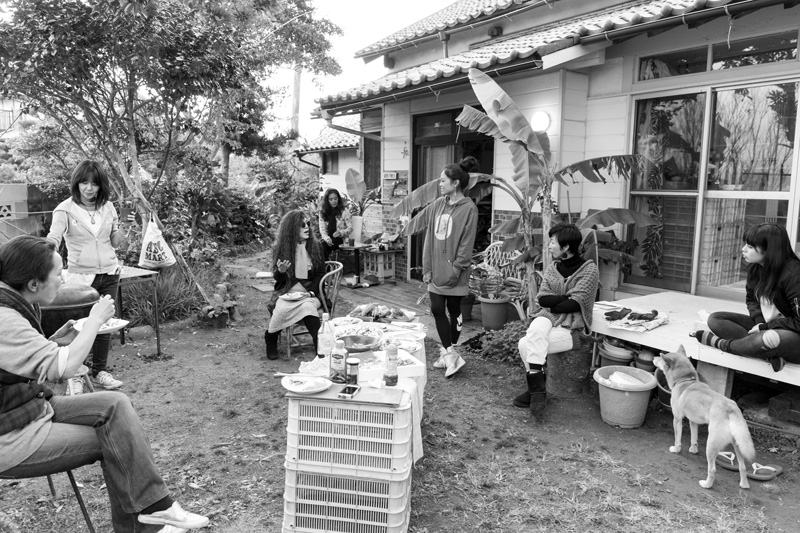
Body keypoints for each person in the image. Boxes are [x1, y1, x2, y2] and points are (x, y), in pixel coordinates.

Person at [0, 235, 209, 532]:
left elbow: (15, 360)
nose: (63, 279)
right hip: (12, 437)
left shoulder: (13, 304)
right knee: (118, 442)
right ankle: (146, 522)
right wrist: (95, 321)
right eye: (58, 273)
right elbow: (64, 368)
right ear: (33, 283)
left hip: (30, 409)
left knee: (115, 403)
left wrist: (54, 343)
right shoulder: (5, 318)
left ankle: (155, 510)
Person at [47, 160, 129, 391]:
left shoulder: (108, 207)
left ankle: (100, 371)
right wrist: (45, 253)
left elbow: (116, 242)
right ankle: (74, 374)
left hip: (109, 272)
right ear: (77, 183)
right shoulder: (64, 209)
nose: (89, 188)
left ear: (101, 185)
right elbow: (54, 238)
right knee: (79, 327)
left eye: (94, 183)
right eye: (84, 183)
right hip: (81, 278)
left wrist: (126, 228)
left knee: (104, 324)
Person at [693, 223, 800, 372]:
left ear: (769, 249)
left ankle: (723, 344)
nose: (743, 249)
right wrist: (759, 322)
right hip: (766, 327)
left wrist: (764, 328)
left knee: (770, 337)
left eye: (750, 246)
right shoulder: (756, 268)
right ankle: (768, 354)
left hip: (792, 335)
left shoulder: (794, 276)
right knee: (715, 319)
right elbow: (752, 300)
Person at [515, 223, 598, 412]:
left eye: (553, 242)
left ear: (566, 246)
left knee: (524, 344)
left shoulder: (589, 270)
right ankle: (538, 392)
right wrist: (565, 299)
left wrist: (557, 301)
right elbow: (542, 298)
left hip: (573, 326)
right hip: (547, 316)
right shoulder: (553, 268)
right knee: (536, 329)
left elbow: (576, 304)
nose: (550, 246)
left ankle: (535, 390)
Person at [422, 156, 479, 378]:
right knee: (437, 309)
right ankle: (449, 354)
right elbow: (429, 237)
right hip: (436, 269)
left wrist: (457, 269)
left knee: (454, 310)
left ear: (455, 183)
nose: (440, 183)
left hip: (456, 272)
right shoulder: (438, 205)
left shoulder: (469, 208)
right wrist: (427, 268)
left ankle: (449, 352)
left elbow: (467, 242)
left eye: (443, 180)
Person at [264, 210, 327, 360]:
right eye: (302, 225)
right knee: (280, 308)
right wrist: (281, 271)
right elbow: (278, 279)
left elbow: (320, 274)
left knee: (308, 307)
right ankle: (270, 338)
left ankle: (319, 344)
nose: (307, 227)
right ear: (292, 229)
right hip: (288, 292)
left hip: (312, 292)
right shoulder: (281, 248)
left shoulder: (316, 246)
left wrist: (311, 292)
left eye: (308, 224)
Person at [318, 188, 352, 261]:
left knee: (324, 246)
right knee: (321, 246)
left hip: (340, 239)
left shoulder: (344, 211)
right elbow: (322, 230)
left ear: (338, 199)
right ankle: (325, 266)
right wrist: (327, 239)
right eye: (331, 199)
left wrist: (340, 233)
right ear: (327, 200)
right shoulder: (323, 212)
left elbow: (350, 228)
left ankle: (326, 266)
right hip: (328, 239)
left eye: (335, 199)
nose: (333, 201)